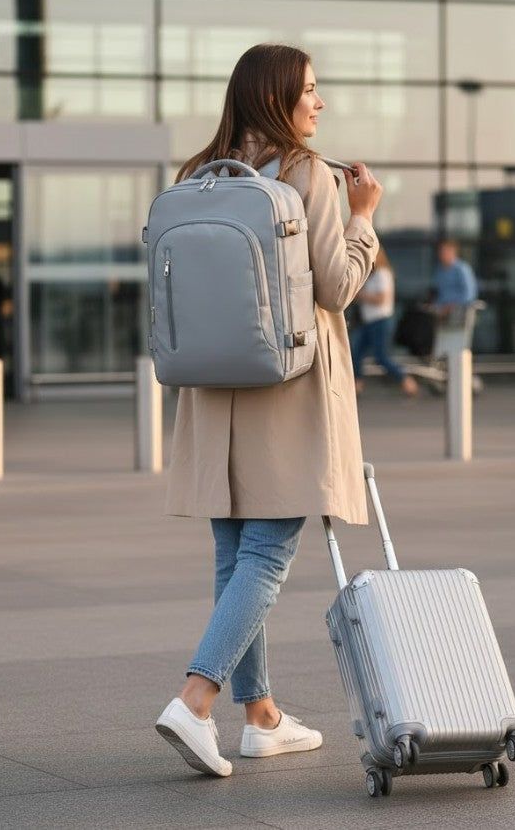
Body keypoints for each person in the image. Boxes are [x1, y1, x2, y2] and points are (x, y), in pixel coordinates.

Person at [155, 44, 383, 778]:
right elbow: (337, 287)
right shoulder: (307, 173)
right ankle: (195, 700)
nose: (320, 103)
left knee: (234, 554)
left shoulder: (199, 175)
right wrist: (364, 218)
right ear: (277, 96)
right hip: (287, 387)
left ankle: (260, 718)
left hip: (215, 389)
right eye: (310, 90)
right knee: (270, 550)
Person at [350, 247, 418, 397]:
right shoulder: (369, 276)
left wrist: (361, 295)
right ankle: (356, 385)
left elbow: (382, 299)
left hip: (381, 321)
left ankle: (406, 380)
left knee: (381, 357)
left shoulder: (383, 274)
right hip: (368, 322)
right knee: (356, 352)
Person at [432, 238, 478, 315]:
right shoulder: (439, 271)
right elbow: (440, 294)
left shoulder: (462, 269)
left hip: (460, 313)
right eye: (440, 252)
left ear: (453, 252)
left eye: (444, 251)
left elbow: (469, 294)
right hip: (442, 312)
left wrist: (453, 306)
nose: (441, 254)